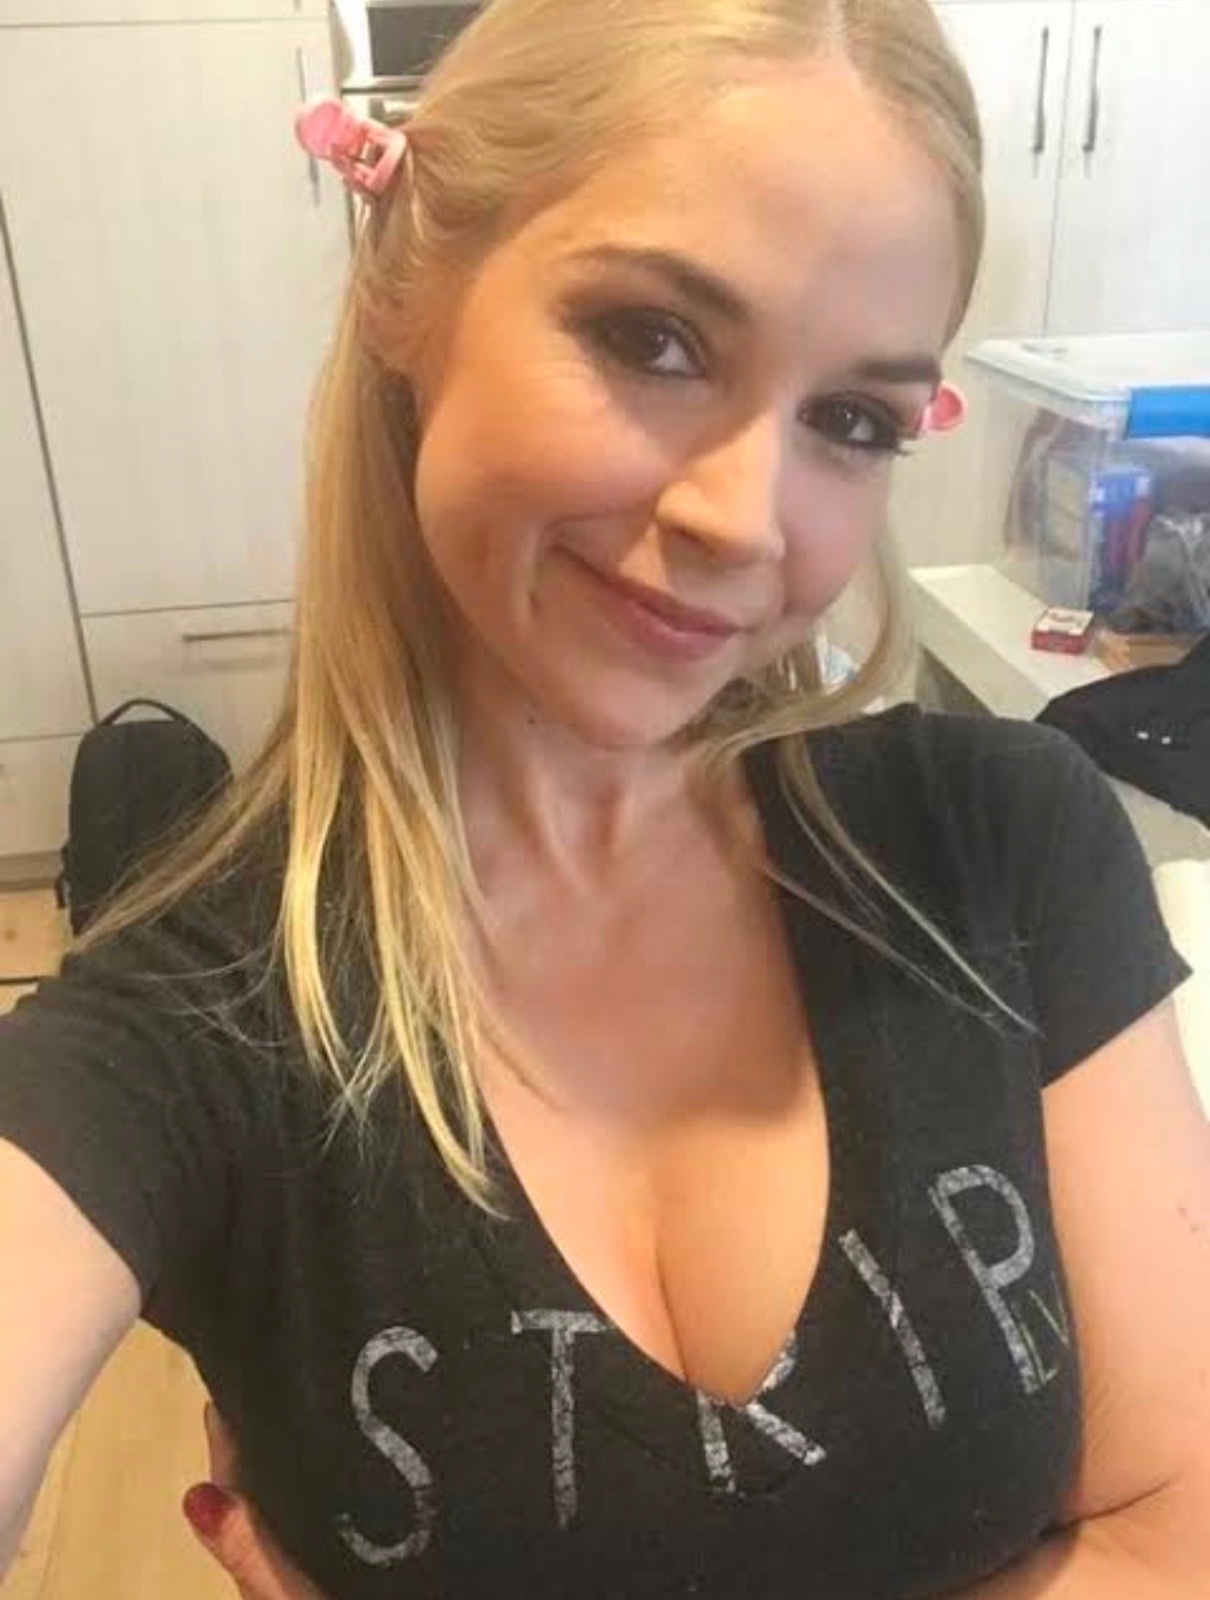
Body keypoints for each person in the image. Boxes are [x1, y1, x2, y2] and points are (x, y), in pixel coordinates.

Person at [1, 1, 1207, 1596]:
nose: (742, 519)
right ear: (405, 289)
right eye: (653, 339)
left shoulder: (998, 841)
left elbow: (1181, 1533)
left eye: (849, 421)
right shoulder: (189, 1026)